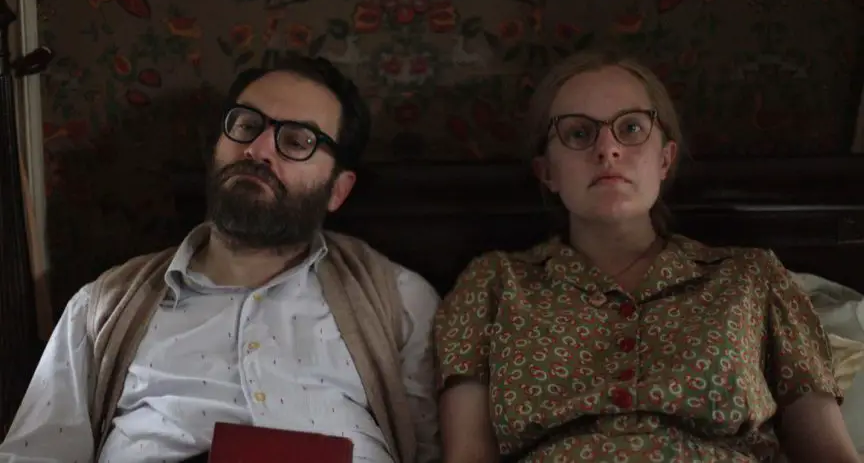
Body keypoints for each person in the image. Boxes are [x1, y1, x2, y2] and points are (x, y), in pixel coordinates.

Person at [0, 55, 440, 463]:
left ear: (338, 190)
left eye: (296, 141)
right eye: (247, 125)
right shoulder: (101, 308)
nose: (259, 149)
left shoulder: (399, 302)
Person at [433, 50, 860, 463]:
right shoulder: (495, 282)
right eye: (578, 134)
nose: (607, 149)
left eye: (632, 128)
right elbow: (468, 456)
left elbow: (830, 454)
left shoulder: (751, 276)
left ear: (665, 160)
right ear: (547, 172)